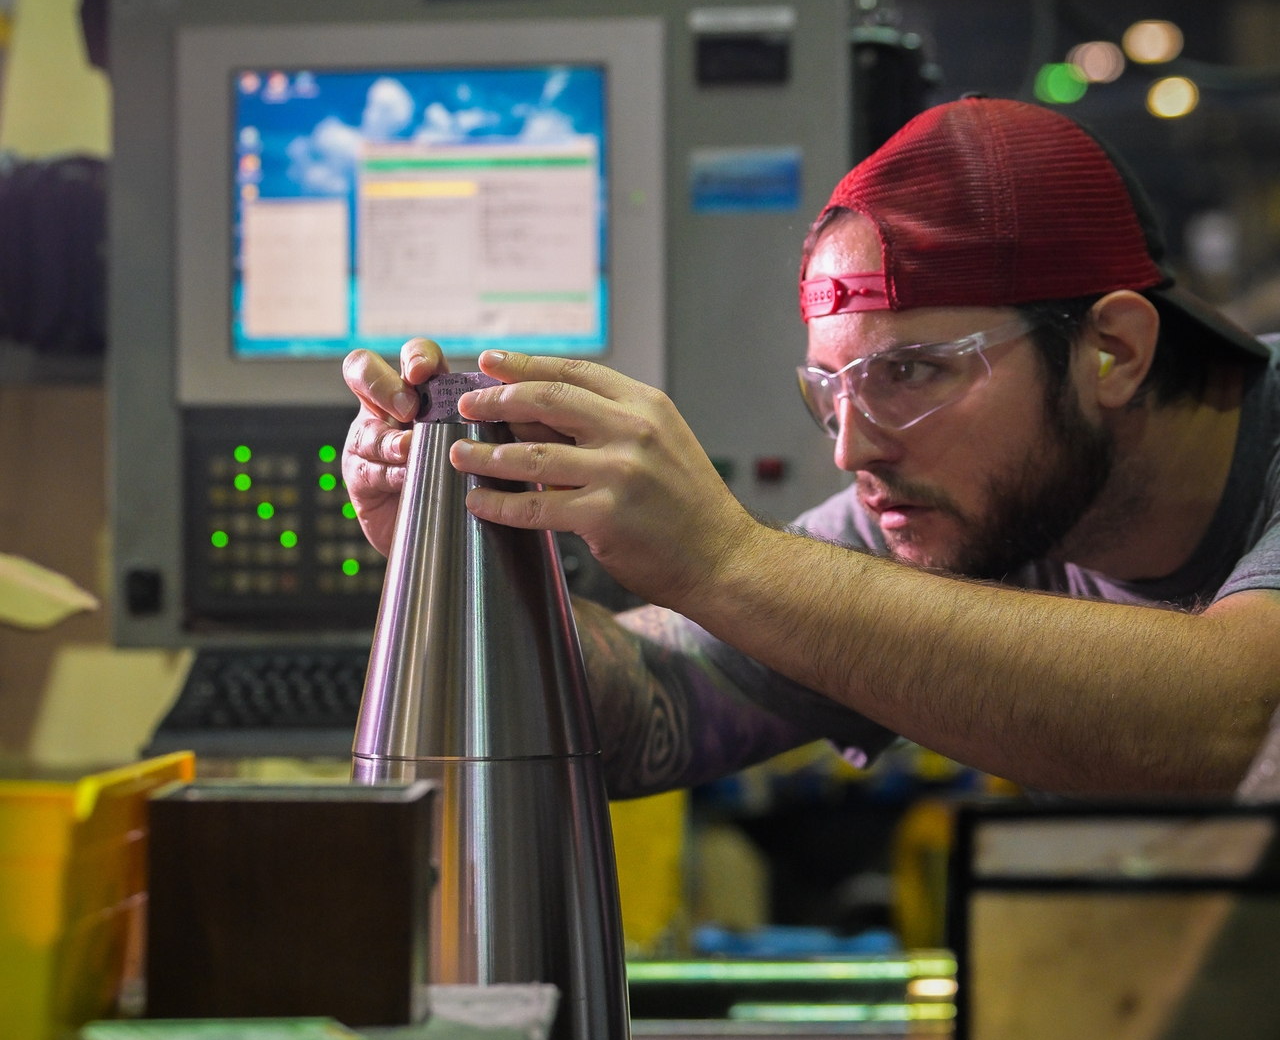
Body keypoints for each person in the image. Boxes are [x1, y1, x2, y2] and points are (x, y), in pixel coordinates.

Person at [342, 97, 1280, 798]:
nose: (852, 451)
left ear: (1112, 350)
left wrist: (724, 558)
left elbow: (1238, 725)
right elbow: (643, 710)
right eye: (829, 391)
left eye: (911, 374)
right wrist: (460, 546)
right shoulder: (963, 503)